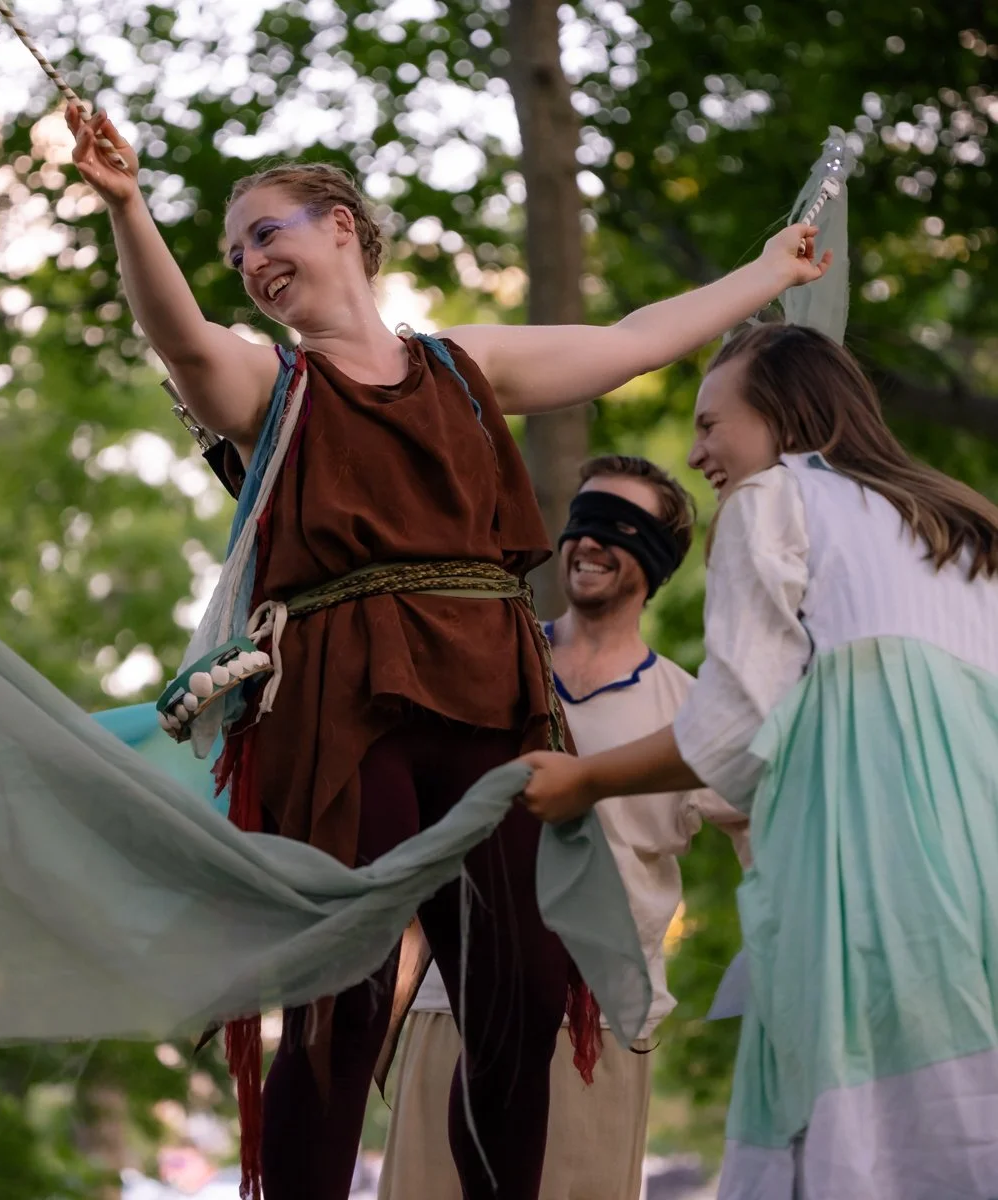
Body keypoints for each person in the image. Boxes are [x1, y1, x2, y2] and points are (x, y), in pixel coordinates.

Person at [67, 100, 829, 1200]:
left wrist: (766, 274)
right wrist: (128, 209)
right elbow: (182, 340)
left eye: (268, 232)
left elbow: (626, 345)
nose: (249, 263)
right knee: (347, 996)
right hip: (344, 712)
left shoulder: (464, 366)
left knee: (519, 988)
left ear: (340, 227)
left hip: (491, 696)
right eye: (234, 255)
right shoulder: (271, 390)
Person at [520, 324, 998, 1200]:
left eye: (712, 424)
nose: (699, 451)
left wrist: (584, 778)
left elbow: (731, 731)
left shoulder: (774, 502)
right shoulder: (963, 529)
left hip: (865, 890)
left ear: (777, 413)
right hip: (983, 893)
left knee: (851, 1147)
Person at [380, 456, 749, 1200]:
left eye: (618, 528)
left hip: (595, 1027)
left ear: (656, 556)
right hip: (453, 1004)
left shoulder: (694, 714)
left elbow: (771, 836)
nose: (588, 543)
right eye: (582, 522)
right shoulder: (486, 667)